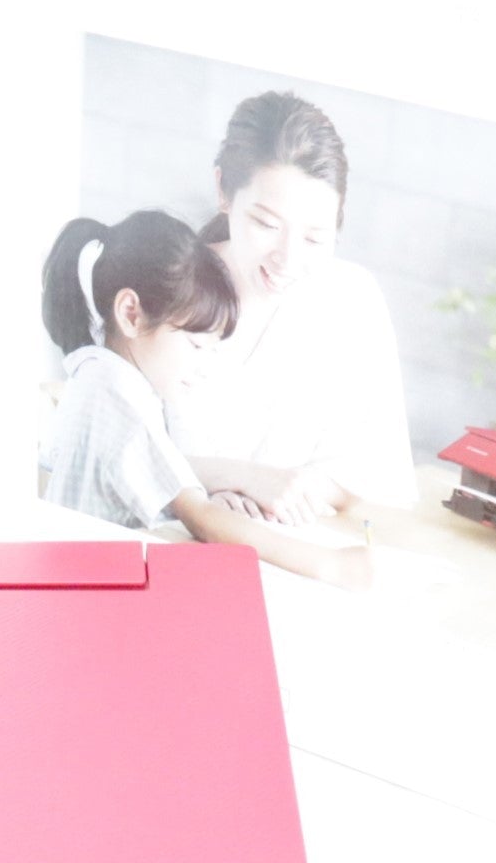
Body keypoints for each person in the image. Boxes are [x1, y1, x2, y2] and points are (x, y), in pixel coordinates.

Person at [41, 210, 374, 590]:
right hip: (88, 592)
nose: (201, 367)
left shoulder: (96, 374)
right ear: (131, 313)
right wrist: (330, 564)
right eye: (196, 345)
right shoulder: (117, 393)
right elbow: (201, 517)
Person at [168, 91, 418, 525]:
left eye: (314, 237)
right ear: (223, 190)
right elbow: (119, 442)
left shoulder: (352, 299)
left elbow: (375, 469)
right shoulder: (167, 286)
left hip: (291, 538)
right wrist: (231, 481)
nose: (287, 259)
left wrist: (283, 491)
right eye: (266, 224)